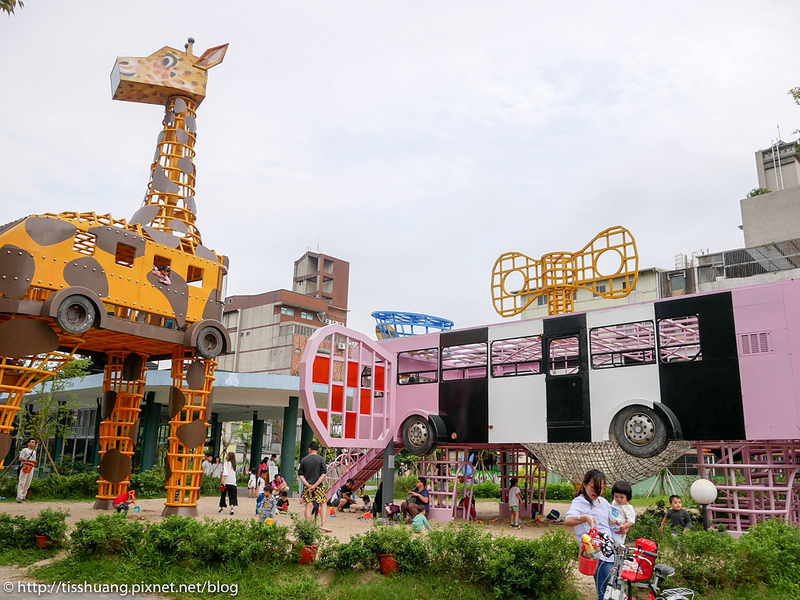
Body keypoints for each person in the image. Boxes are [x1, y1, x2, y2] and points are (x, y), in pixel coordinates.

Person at [565, 469, 615, 600]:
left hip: (611, 549)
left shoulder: (603, 502)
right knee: (605, 590)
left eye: (601, 488)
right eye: (594, 487)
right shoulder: (580, 502)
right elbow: (568, 520)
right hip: (596, 553)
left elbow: (610, 522)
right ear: (585, 484)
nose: (597, 492)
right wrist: (584, 517)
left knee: (614, 588)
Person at [297, 440, 331, 532]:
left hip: (308, 487)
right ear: (318, 450)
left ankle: (308, 525)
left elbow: (300, 474)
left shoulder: (304, 460)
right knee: (323, 503)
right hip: (319, 486)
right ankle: (323, 525)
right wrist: (315, 485)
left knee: (308, 504)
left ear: (310, 449)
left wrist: (308, 485)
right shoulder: (321, 459)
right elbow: (323, 474)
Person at [610, 481, 636, 545]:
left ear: (627, 497)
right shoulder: (615, 502)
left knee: (617, 546)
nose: (618, 499)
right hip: (609, 527)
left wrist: (624, 526)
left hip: (618, 529)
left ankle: (622, 553)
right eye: (616, 496)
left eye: (621, 497)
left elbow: (631, 521)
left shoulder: (628, 508)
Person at [16, 438, 37, 503]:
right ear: (28, 443)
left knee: (28, 482)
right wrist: (29, 460)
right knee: (22, 481)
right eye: (32, 442)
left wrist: (34, 462)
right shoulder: (25, 450)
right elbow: (20, 458)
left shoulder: (34, 452)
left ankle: (23, 496)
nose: (34, 443)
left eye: (34, 442)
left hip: (31, 467)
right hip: (25, 467)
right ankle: (19, 496)